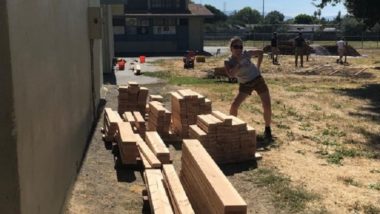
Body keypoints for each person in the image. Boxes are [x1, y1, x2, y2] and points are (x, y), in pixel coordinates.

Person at [224, 36, 273, 139]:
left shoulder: (246, 54)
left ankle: (267, 129)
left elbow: (260, 52)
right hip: (245, 84)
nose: (238, 49)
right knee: (234, 106)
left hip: (257, 80)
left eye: (240, 47)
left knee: (267, 105)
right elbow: (231, 75)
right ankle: (232, 129)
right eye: (236, 46)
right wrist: (239, 63)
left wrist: (258, 67)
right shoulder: (228, 61)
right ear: (231, 48)